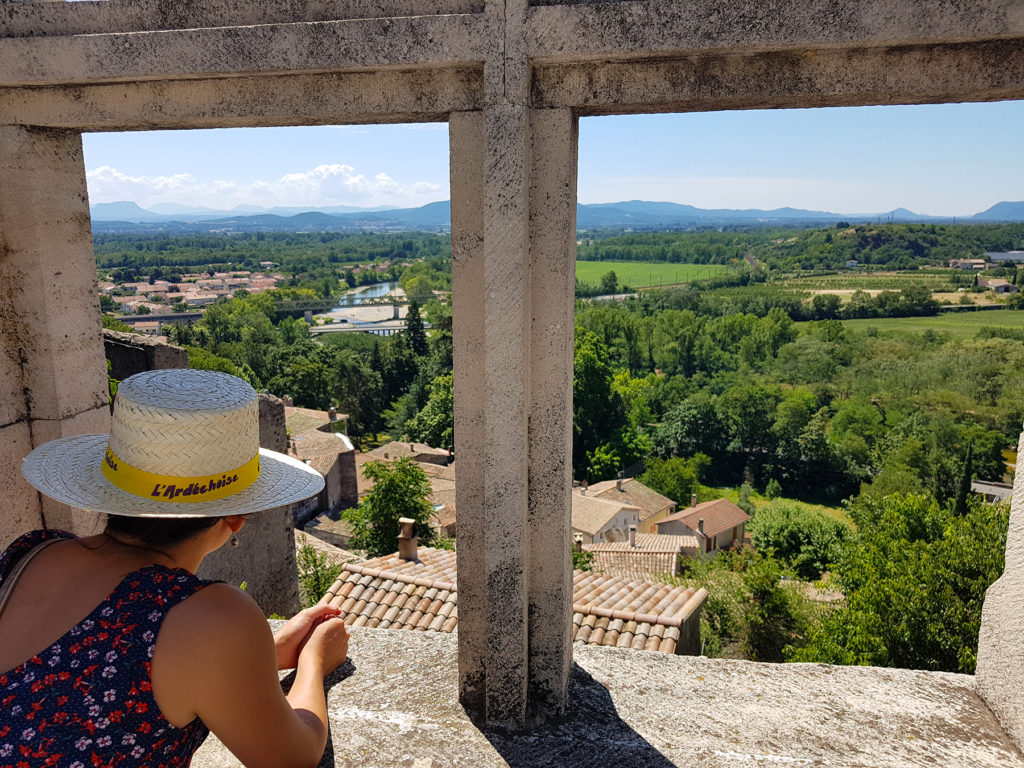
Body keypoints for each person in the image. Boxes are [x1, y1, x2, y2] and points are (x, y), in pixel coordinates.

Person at [0, 369, 351, 768]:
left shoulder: (32, 552)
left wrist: (265, 656)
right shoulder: (212, 618)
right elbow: (294, 757)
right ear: (236, 517)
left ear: (108, 493)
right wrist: (314, 662)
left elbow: (80, 678)